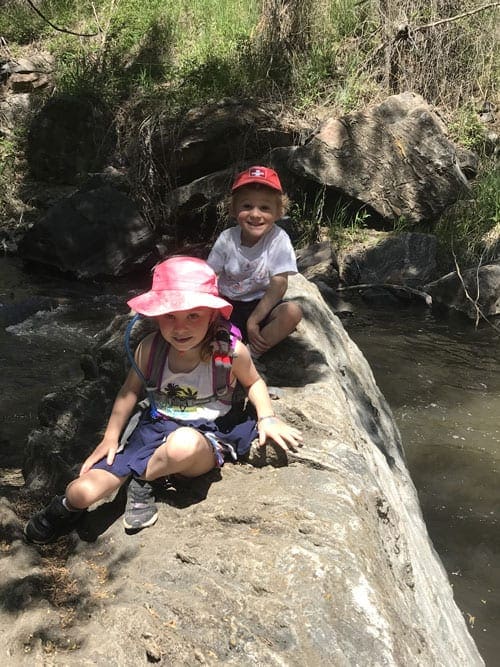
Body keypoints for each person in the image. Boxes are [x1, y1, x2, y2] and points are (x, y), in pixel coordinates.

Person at [24, 256, 302, 544]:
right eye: (170, 316)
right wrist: (110, 438)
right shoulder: (151, 349)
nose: (180, 328)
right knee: (81, 492)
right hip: (154, 429)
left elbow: (253, 381)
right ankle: (68, 508)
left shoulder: (229, 352)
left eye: (193, 315)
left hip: (207, 433)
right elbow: (129, 392)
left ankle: (144, 479)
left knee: (184, 445)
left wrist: (266, 417)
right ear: (157, 316)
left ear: (211, 315)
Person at [207, 165, 302, 359]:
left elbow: (279, 283)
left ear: (278, 212)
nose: (255, 214)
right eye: (247, 206)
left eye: (265, 208)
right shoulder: (227, 238)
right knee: (205, 318)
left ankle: (251, 355)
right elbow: (209, 275)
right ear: (233, 209)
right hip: (228, 303)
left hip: (262, 304)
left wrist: (254, 320)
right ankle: (226, 342)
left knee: (292, 312)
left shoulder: (279, 239)